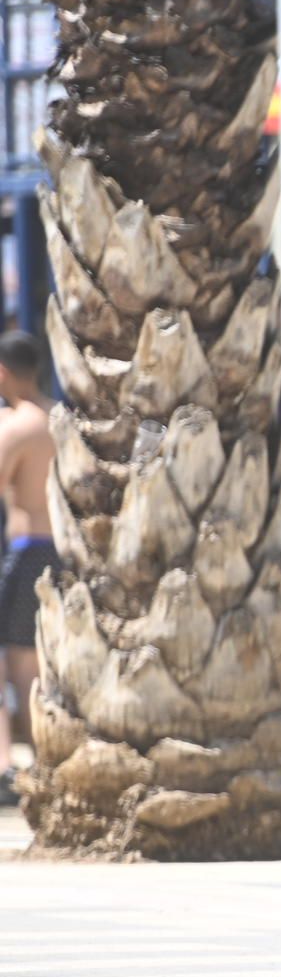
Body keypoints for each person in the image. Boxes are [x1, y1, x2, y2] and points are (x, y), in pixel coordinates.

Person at [0, 332, 56, 807]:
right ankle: (43, 758)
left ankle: (5, 765)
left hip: (24, 549)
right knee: (35, 660)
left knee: (12, 660)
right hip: (59, 549)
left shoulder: (17, 427)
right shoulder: (61, 418)